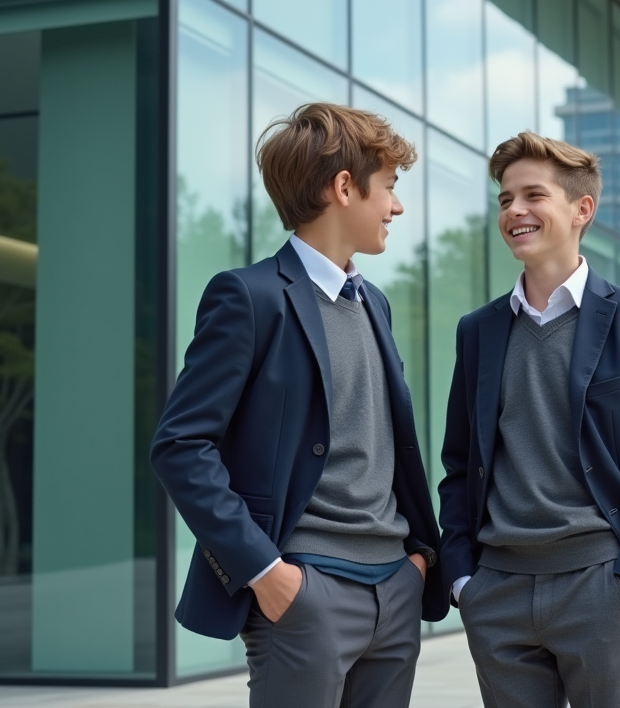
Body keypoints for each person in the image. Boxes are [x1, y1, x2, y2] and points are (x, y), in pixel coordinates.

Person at [151, 103, 446, 708]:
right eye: (388, 188)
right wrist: (266, 572)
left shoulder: (376, 304)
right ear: (344, 187)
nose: (396, 207)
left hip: (394, 588)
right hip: (306, 591)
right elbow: (180, 447)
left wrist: (414, 566)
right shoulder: (250, 297)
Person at [437, 131, 620, 708]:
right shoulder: (477, 331)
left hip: (600, 586)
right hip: (498, 592)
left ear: (582, 209)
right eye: (505, 199)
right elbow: (460, 465)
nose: (515, 211)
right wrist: (463, 578)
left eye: (533, 195)